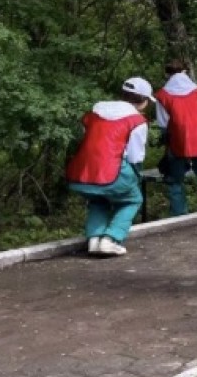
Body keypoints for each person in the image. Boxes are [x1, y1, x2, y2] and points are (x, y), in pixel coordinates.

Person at [65, 78, 153, 256]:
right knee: (133, 199)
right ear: (143, 102)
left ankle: (94, 240)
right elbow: (136, 157)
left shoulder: (96, 110)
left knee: (98, 200)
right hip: (111, 173)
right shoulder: (137, 121)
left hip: (82, 173)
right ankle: (111, 239)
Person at [154, 60, 197, 216]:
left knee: (175, 179)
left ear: (168, 74)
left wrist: (167, 147)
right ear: (184, 72)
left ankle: (180, 215)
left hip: (177, 140)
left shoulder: (163, 96)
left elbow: (164, 125)